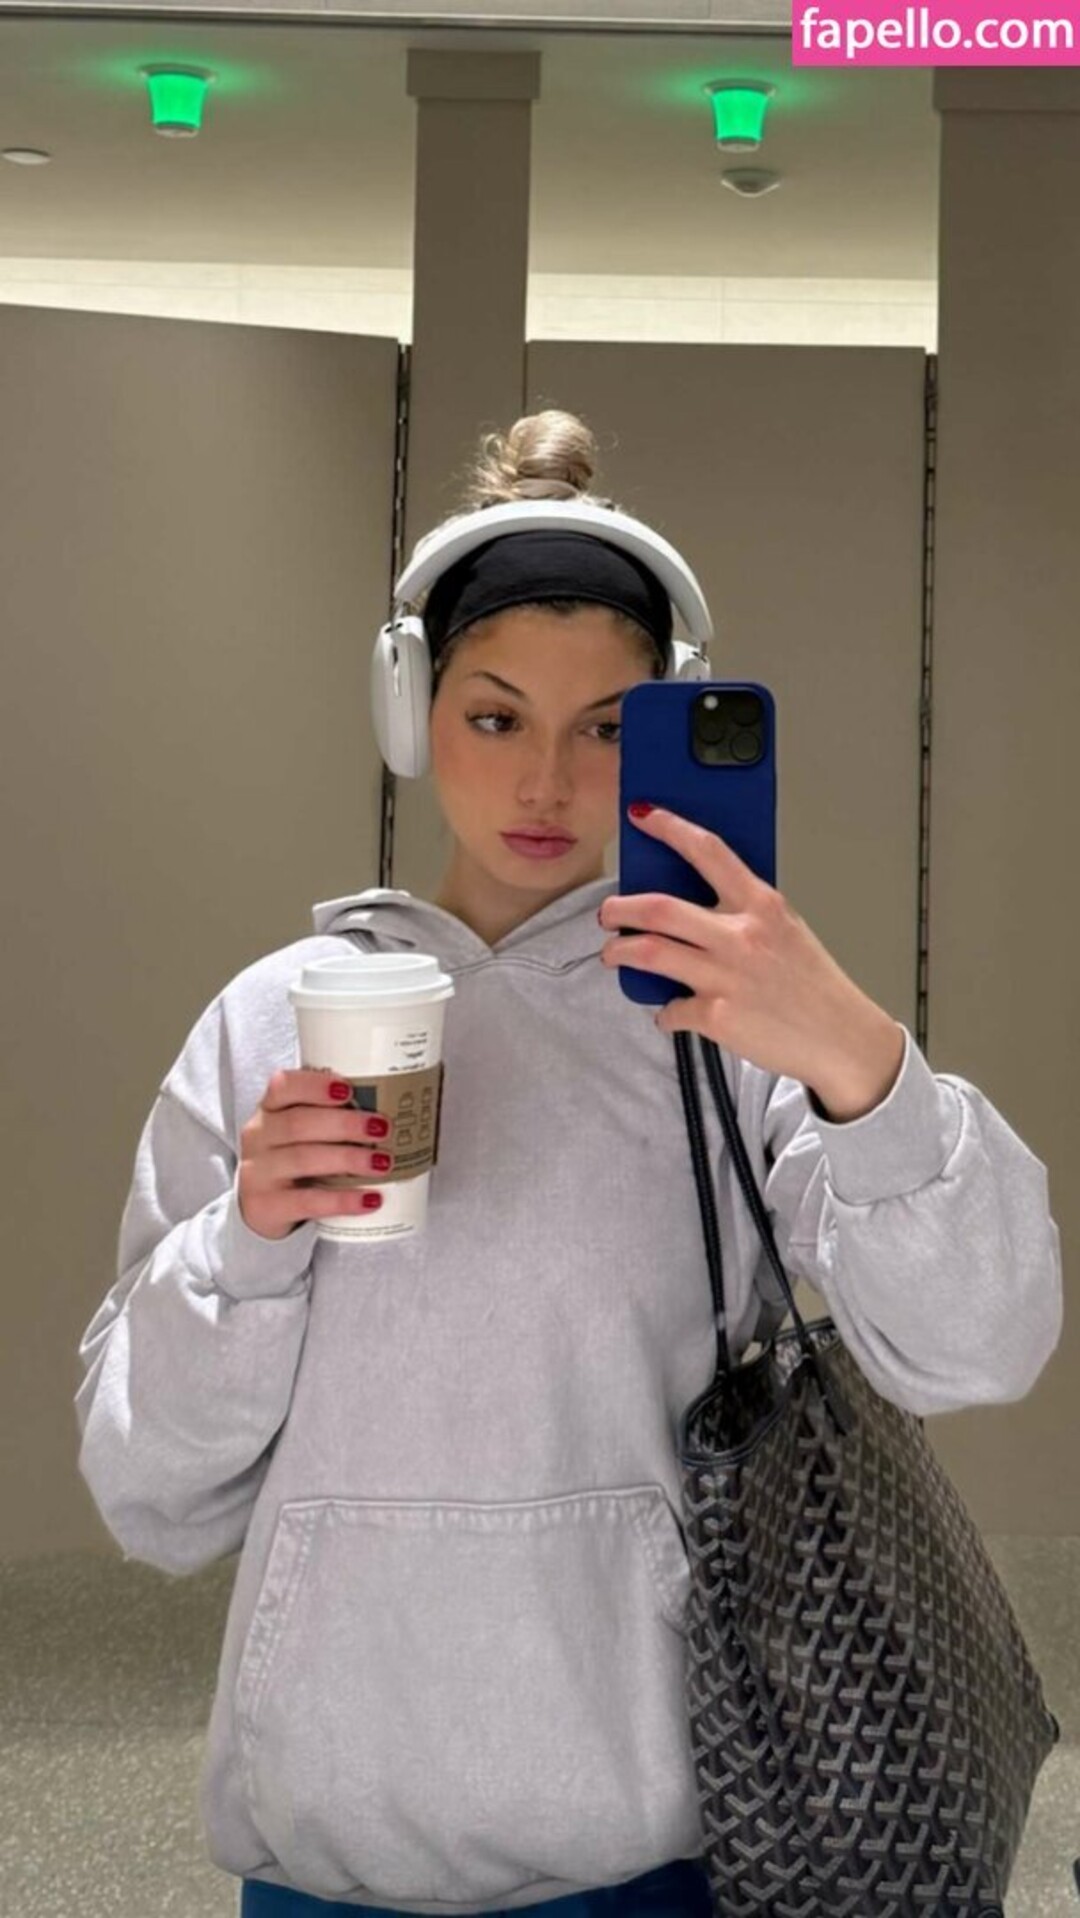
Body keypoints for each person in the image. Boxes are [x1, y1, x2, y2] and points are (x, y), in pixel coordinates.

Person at [74, 410, 1063, 1918]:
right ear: (411, 713)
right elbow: (149, 1492)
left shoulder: (726, 1025)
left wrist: (858, 1055)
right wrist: (250, 1236)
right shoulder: (274, 1020)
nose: (546, 781)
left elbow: (982, 1344)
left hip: (651, 1837)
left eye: (605, 729)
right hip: (330, 1830)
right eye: (495, 718)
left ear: (664, 730)